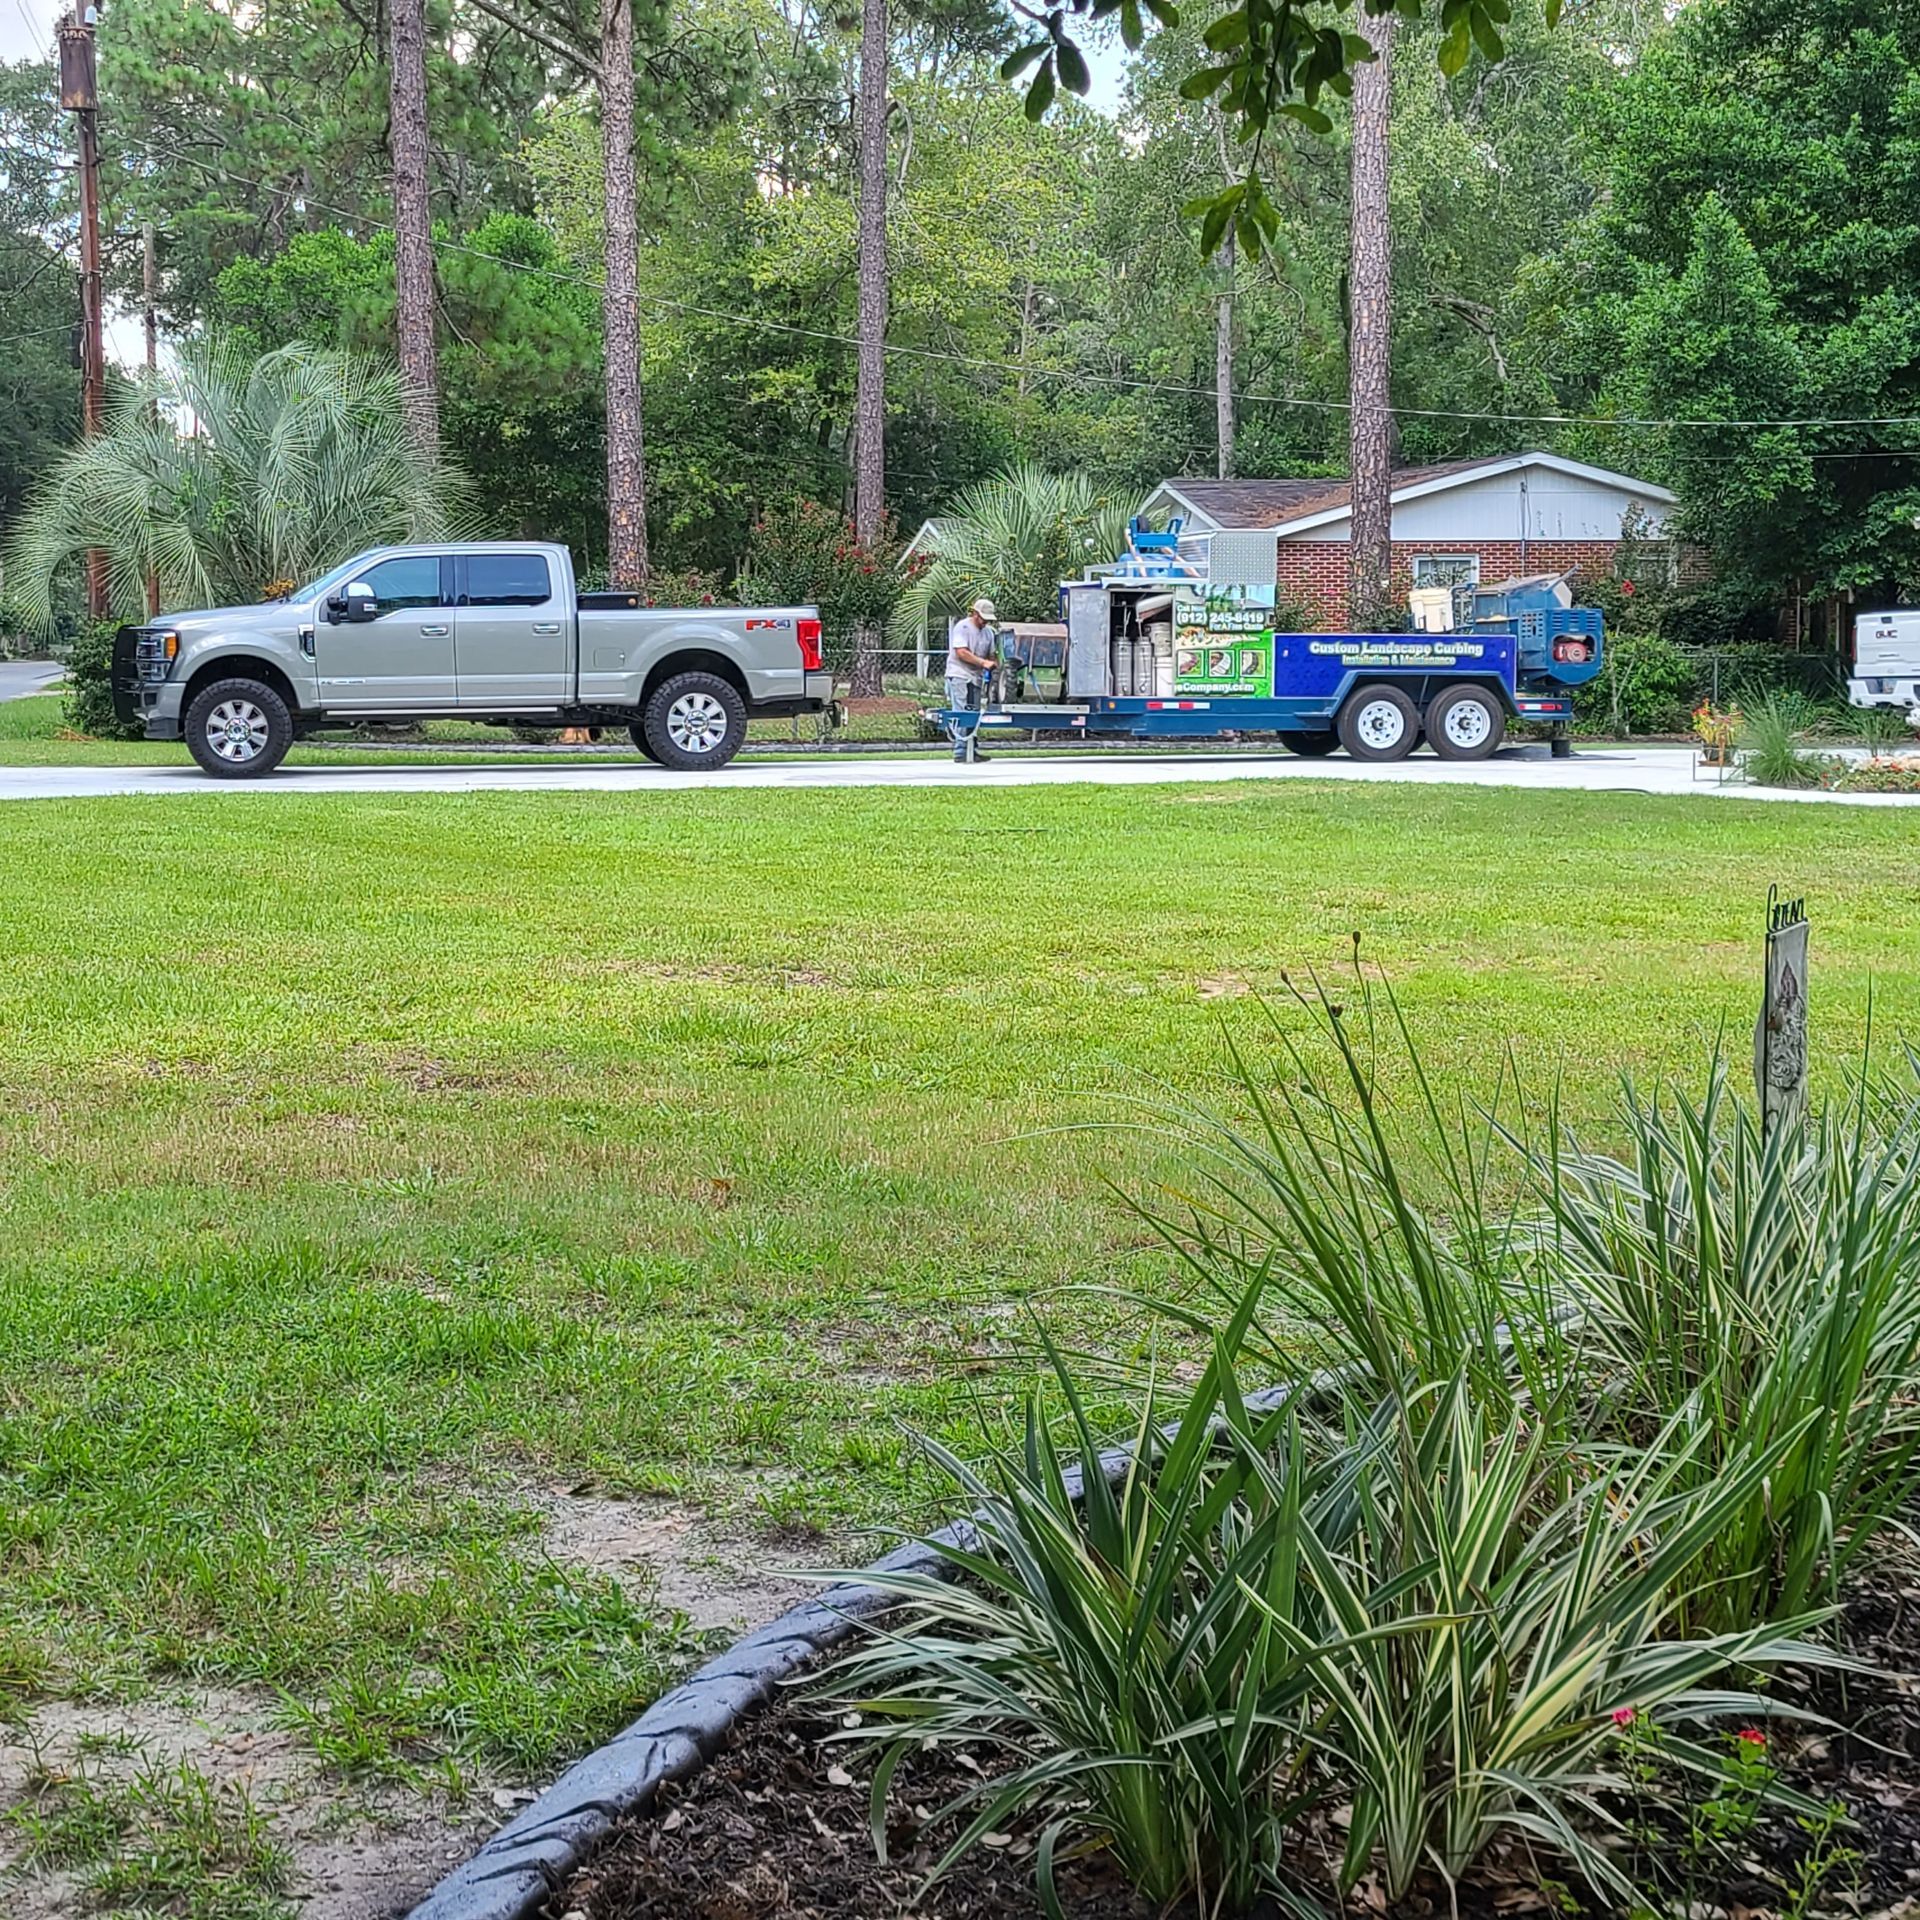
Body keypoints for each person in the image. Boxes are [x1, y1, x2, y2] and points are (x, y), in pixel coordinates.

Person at [945, 597, 997, 763]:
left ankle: (971, 748)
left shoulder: (988, 633)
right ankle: (960, 749)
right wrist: (983, 663)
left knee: (974, 713)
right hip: (959, 674)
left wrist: (993, 664)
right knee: (961, 711)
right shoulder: (963, 627)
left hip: (976, 677)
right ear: (975, 614)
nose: (985, 622)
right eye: (983, 618)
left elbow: (992, 655)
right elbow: (961, 652)